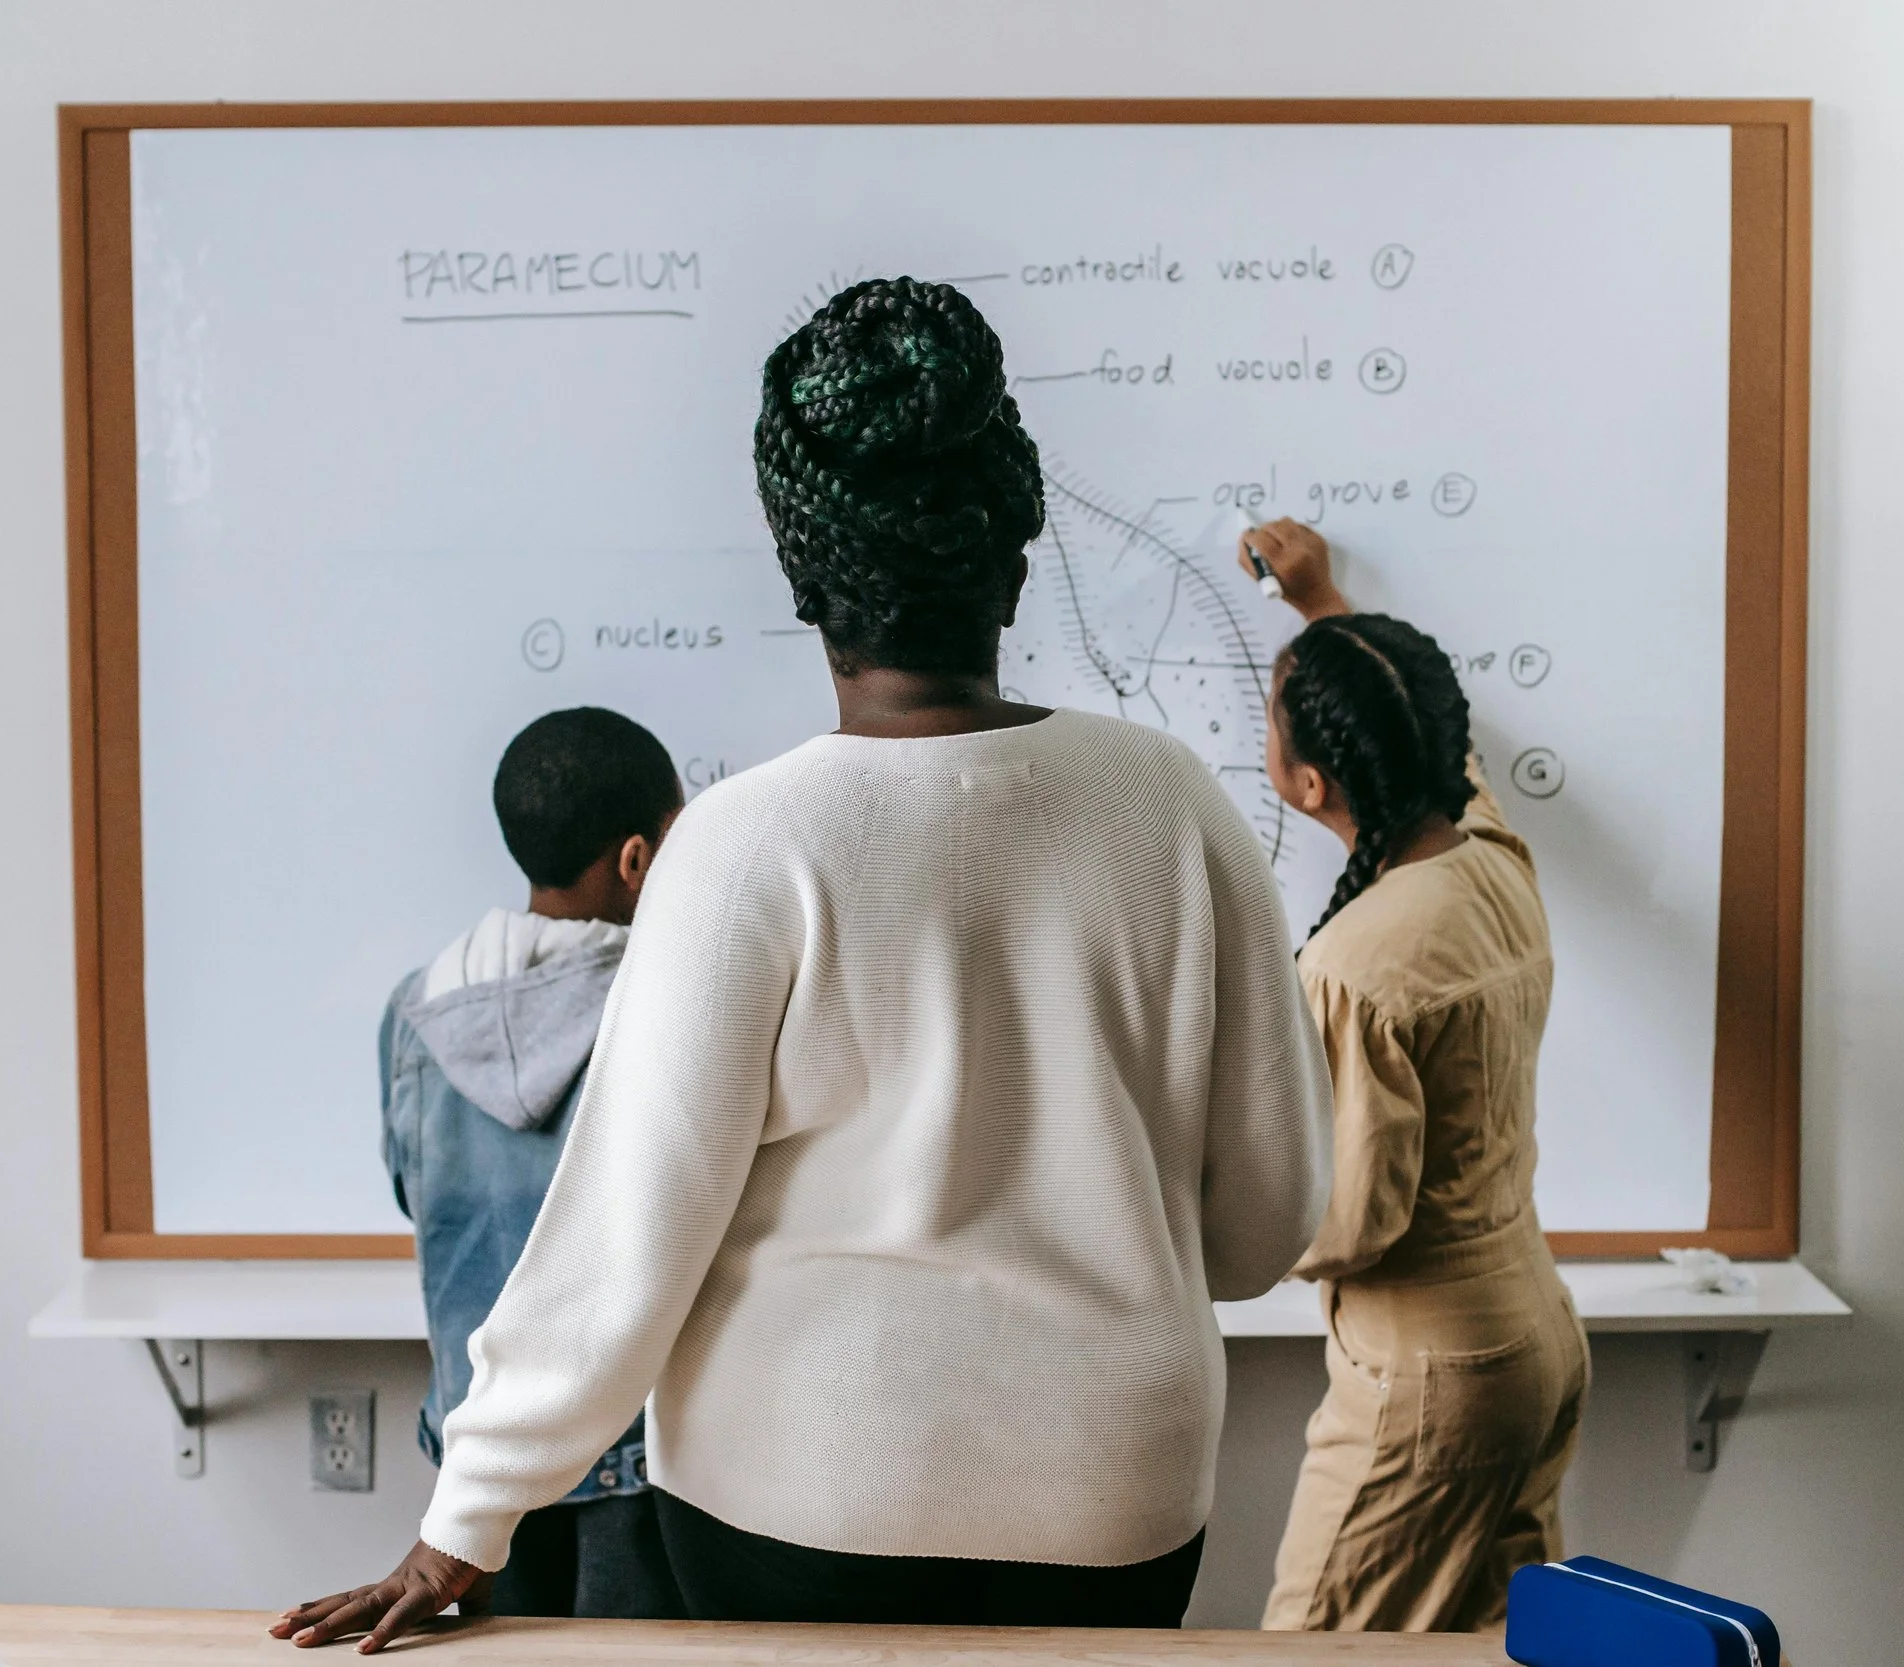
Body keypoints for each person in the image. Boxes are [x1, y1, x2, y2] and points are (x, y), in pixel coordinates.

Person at [275, 276, 1330, 1650]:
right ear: (1014, 548)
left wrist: (463, 1522)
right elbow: (1263, 1229)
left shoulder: (737, 844)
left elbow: (619, 1246)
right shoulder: (1174, 805)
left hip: (792, 1501)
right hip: (1111, 1496)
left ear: (800, 576)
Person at [1239, 518, 1590, 1633]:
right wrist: (1320, 602)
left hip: (1431, 1378)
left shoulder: (1354, 963)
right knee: (1494, 1650)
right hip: (1531, 1339)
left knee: (1313, 1652)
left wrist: (1197, 1205)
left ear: (1303, 783)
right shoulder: (1492, 860)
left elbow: (1352, 1222)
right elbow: (1450, 757)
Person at [377, 707, 686, 1621]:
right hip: (637, 1460)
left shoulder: (417, 1009)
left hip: (477, 1461)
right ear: (637, 858)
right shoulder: (670, 1005)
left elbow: (411, 1189)